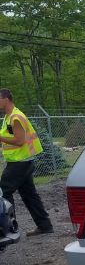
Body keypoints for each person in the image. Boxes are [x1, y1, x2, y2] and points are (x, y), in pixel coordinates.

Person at [0, 89, 53, 235]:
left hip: (20, 162)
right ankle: (45, 226)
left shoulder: (16, 117)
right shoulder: (9, 116)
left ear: (6, 99)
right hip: (22, 161)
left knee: (4, 191)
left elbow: (19, 141)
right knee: (29, 194)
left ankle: (8, 229)